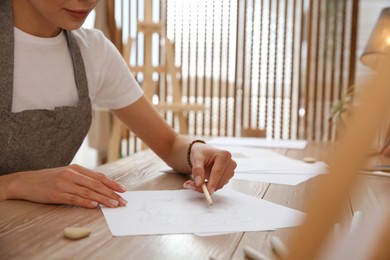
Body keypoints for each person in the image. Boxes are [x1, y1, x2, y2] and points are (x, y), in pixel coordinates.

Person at [0, 0, 236, 209]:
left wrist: (196, 151)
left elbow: (170, 143)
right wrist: (14, 184)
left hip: (42, 231)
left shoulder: (94, 52)